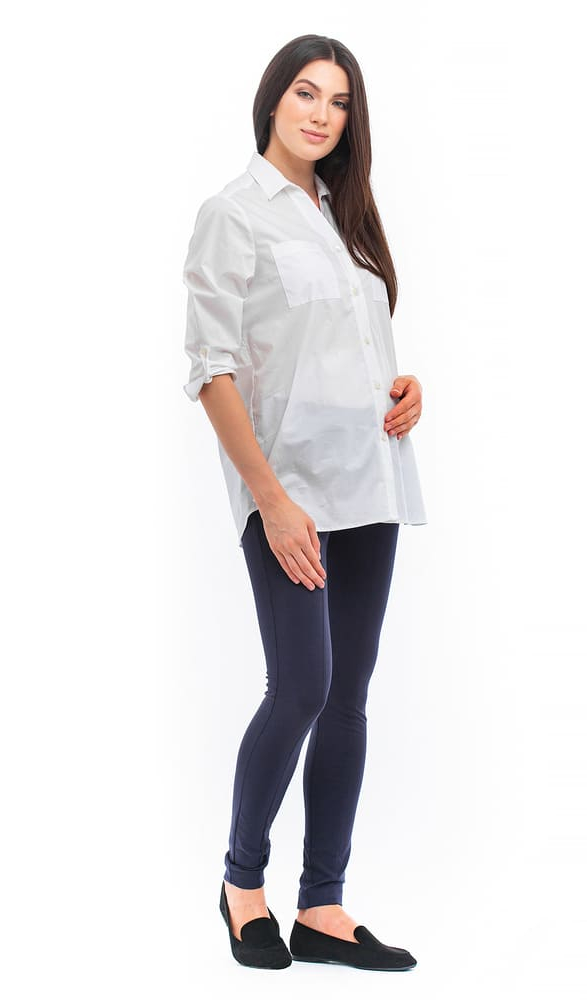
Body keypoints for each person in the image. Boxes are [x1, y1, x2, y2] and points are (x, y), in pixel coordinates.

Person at [180, 34, 427, 972]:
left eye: (340, 101)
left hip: (371, 480)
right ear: (273, 101)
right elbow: (212, 370)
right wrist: (271, 501)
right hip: (290, 493)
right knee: (303, 686)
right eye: (306, 94)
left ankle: (323, 906)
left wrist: (403, 388)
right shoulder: (233, 215)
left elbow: (347, 345)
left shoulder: (346, 213)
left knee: (348, 696)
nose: (323, 114)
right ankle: (242, 886)